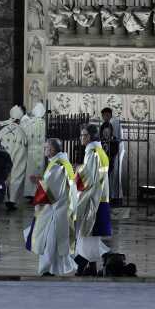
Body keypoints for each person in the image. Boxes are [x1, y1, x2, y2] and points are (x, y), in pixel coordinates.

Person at [25, 138, 76, 276]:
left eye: (46, 147)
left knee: (49, 242)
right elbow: (54, 183)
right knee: (54, 243)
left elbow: (51, 192)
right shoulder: (61, 162)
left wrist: (39, 183)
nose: (44, 150)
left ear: (52, 150)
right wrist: (40, 179)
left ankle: (46, 270)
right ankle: (53, 269)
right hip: (61, 209)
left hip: (55, 211)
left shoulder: (57, 165)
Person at [73, 125, 112, 276]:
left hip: (93, 200)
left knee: (86, 234)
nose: (81, 138)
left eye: (83, 135)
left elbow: (89, 179)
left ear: (89, 137)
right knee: (91, 235)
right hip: (101, 198)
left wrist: (78, 170)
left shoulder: (92, 153)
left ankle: (103, 257)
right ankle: (92, 266)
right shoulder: (100, 152)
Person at [0, 106, 29, 210]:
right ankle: (12, 200)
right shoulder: (21, 132)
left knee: (3, 174)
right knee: (16, 173)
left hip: (3, 156)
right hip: (17, 155)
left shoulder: (3, 130)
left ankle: (4, 197)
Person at [100, 107, 125, 205]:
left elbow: (115, 139)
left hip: (116, 151)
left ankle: (116, 197)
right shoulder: (109, 123)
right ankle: (113, 196)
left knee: (115, 175)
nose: (103, 118)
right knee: (112, 175)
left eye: (104, 116)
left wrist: (112, 153)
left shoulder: (114, 122)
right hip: (112, 150)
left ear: (108, 115)